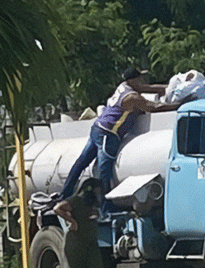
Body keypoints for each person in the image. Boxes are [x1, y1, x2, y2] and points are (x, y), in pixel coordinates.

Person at [58, 67, 183, 217]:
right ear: (132, 80)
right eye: (139, 79)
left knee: (81, 163)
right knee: (105, 172)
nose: (142, 82)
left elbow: (148, 88)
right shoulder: (131, 97)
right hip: (108, 134)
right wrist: (181, 104)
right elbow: (155, 107)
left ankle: (64, 193)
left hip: (97, 128)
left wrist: (171, 89)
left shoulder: (123, 87)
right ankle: (106, 206)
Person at [53, 178, 106, 268]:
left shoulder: (94, 203)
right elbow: (58, 208)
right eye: (97, 189)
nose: (99, 192)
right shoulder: (77, 200)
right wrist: (72, 221)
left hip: (91, 242)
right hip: (76, 242)